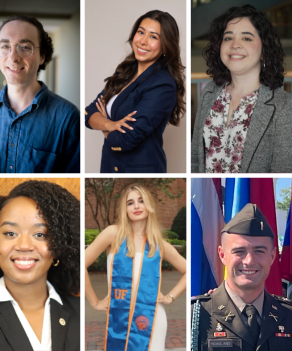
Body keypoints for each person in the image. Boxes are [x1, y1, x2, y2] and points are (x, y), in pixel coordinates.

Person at [0, 180, 80, 350]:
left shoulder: (78, 311)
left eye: (40, 234)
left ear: (59, 246)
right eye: (10, 233)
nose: (24, 245)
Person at [191, 5, 292, 173]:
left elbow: (284, 172)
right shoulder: (209, 93)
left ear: (264, 49)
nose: (235, 45)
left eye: (246, 38)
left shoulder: (284, 106)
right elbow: (195, 161)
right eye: (228, 38)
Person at [85, 185, 186, 351]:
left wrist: (170, 297)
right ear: (124, 209)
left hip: (152, 317)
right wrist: (94, 302)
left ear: (149, 205)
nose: (137, 206)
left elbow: (187, 271)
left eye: (141, 201)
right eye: (130, 203)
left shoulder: (158, 244)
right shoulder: (113, 234)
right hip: (120, 315)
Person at [85, 10, 185, 173]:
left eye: (153, 36)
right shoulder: (123, 73)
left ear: (166, 45)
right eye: (141, 32)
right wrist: (110, 124)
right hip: (110, 168)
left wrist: (102, 126)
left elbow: (126, 139)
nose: (143, 41)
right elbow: (89, 112)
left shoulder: (162, 84)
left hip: (139, 172)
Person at [0, 15, 80, 173]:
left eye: (25, 47)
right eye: (5, 46)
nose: (13, 57)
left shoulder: (67, 116)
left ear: (42, 57)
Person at [191, 203, 292, 351]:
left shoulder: (288, 315)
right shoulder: (196, 315)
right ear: (222, 255)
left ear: (272, 256)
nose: (249, 261)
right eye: (239, 251)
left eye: (259, 251)